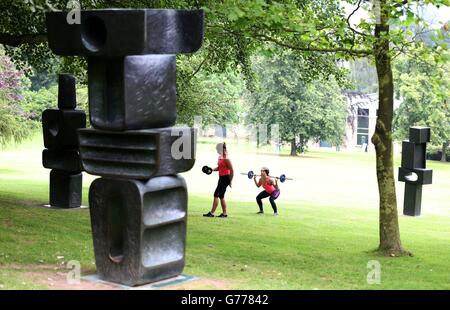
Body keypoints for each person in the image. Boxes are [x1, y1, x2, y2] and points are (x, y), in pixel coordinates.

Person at [203, 142, 234, 218]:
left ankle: (224, 213)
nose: (217, 151)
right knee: (216, 194)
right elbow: (219, 167)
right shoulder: (220, 157)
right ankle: (212, 213)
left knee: (221, 195)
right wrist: (212, 170)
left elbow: (232, 170)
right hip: (221, 178)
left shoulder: (227, 159)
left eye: (218, 149)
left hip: (226, 178)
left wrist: (230, 181)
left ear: (223, 149)